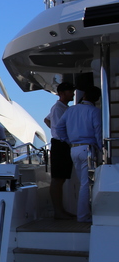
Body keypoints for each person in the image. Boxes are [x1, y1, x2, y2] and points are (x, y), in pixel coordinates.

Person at [55, 86, 102, 223]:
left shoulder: (71, 110)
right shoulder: (94, 111)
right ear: (97, 99)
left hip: (74, 149)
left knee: (83, 183)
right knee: (86, 184)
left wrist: (68, 140)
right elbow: (98, 132)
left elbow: (59, 128)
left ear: (85, 96)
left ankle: (84, 214)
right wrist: (101, 149)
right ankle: (83, 216)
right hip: (88, 149)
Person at [44, 82, 76, 219]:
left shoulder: (62, 108)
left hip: (61, 144)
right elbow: (57, 128)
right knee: (58, 179)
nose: (73, 93)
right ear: (62, 93)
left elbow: (46, 120)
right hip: (60, 144)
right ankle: (58, 211)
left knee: (60, 179)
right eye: (70, 91)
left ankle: (60, 210)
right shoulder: (58, 108)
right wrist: (67, 141)